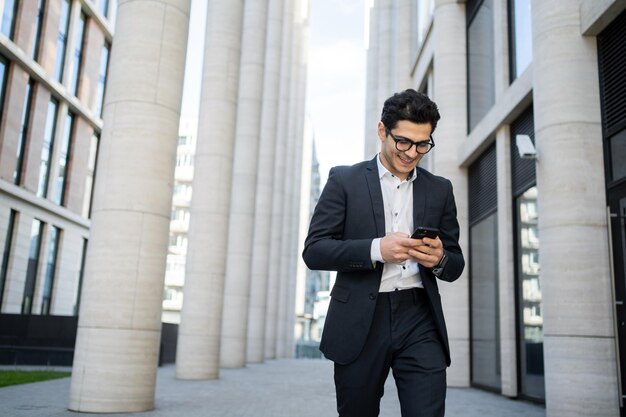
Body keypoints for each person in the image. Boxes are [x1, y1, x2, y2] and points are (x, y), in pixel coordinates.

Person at [302, 89, 464, 417]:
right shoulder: (344, 180)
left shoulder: (440, 189)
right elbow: (315, 251)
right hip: (362, 318)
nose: (412, 152)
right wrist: (378, 249)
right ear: (382, 131)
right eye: (403, 141)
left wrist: (439, 259)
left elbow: (455, 262)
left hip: (420, 317)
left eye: (423, 144)